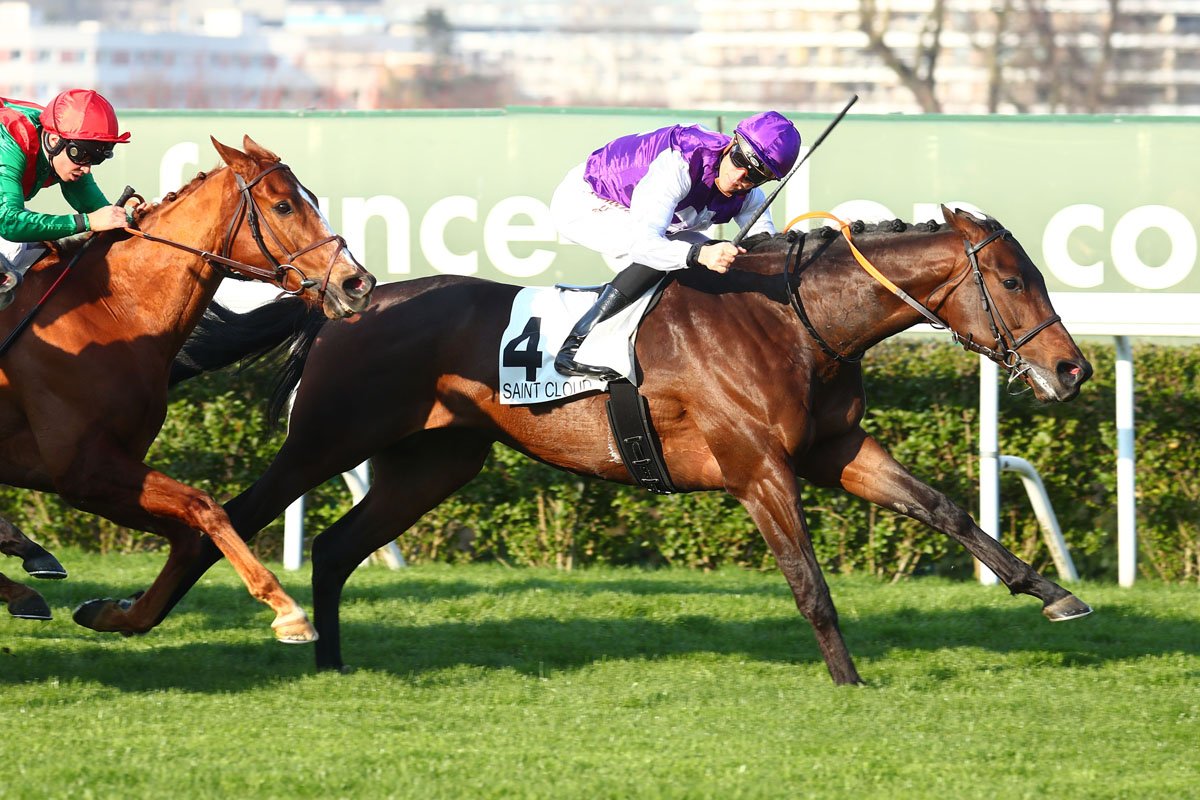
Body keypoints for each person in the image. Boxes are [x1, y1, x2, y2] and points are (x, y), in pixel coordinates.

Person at [549, 110, 801, 380]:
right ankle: (576, 348)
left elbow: (764, 250)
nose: (739, 176)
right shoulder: (679, 164)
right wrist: (699, 254)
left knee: (715, 257)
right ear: (732, 143)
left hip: (633, 210)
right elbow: (644, 246)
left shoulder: (750, 197)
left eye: (754, 175)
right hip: (586, 200)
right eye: (739, 160)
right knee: (675, 253)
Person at [0, 89, 134, 310]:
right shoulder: (11, 140)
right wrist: (87, 222)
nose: (86, 168)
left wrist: (132, 218)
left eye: (95, 159)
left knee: (44, 259)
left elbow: (100, 210)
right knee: (8, 267)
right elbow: (9, 222)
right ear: (54, 140)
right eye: (82, 155)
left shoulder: (62, 145)